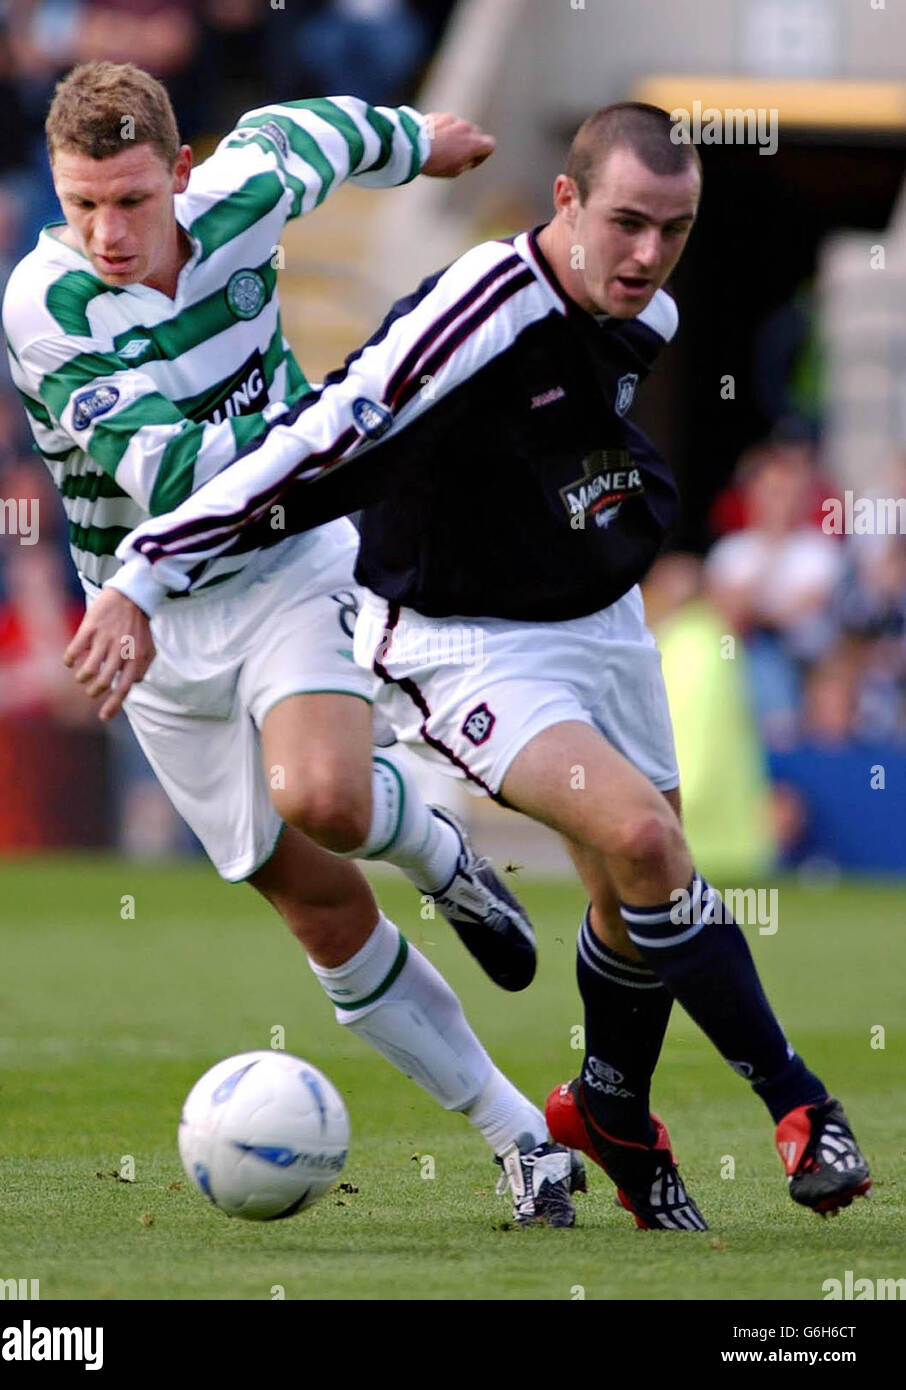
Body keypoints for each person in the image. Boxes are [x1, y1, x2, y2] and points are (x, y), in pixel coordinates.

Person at [99, 102, 872, 1231]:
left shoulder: (642, 306)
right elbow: (324, 435)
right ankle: (800, 1104)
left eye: (675, 227)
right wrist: (147, 571)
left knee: (631, 890)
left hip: (597, 620)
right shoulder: (482, 306)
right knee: (649, 843)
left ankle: (609, 1107)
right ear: (564, 202)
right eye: (626, 222)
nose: (650, 253)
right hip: (460, 644)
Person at [3, 61, 583, 1228]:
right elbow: (182, 481)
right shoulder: (48, 309)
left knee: (321, 791)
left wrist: (422, 137)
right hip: (151, 614)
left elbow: (315, 129)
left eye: (129, 199)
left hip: (286, 559)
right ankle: (524, 1136)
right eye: (80, 204)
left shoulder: (242, 184)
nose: (108, 233)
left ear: (181, 173)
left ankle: (434, 850)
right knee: (315, 907)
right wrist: (346, 424)